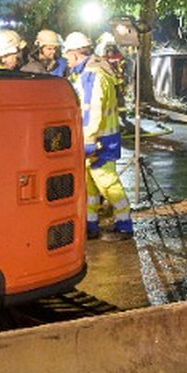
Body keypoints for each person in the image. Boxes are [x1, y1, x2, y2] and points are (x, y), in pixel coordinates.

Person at [62, 31, 132, 238]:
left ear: (75, 54)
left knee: (107, 182)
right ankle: (90, 223)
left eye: (67, 57)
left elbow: (92, 111)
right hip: (99, 137)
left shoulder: (92, 76)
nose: (66, 61)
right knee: (89, 185)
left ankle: (124, 223)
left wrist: (88, 140)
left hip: (98, 140)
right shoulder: (93, 73)